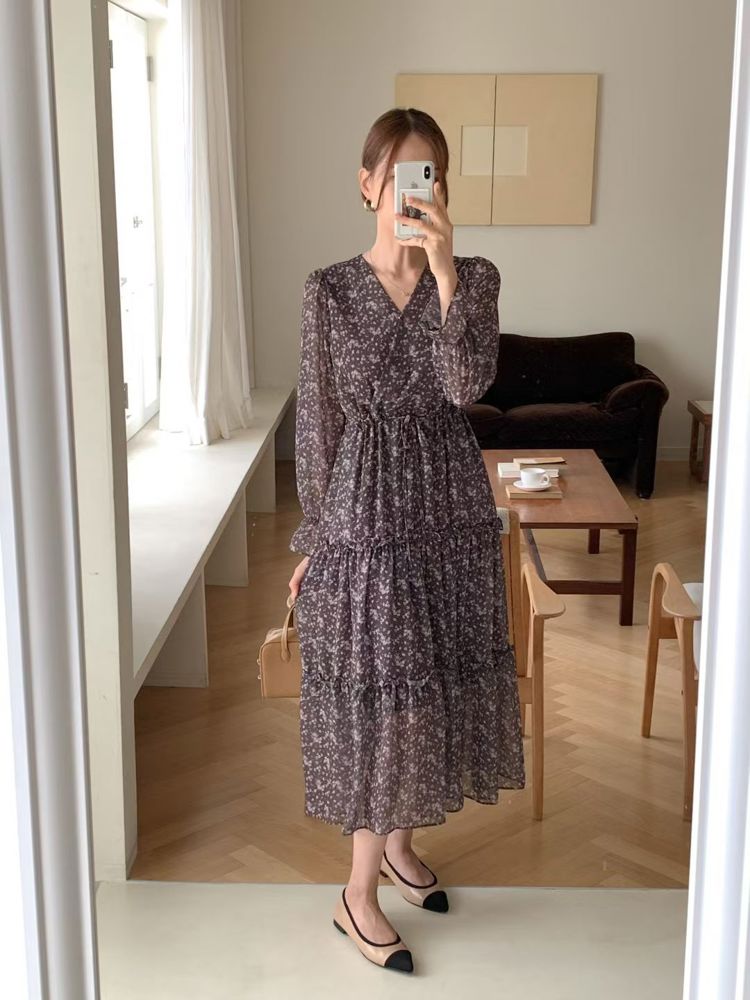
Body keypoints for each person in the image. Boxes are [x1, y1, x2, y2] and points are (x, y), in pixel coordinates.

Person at [287, 107, 526, 974]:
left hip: (448, 507)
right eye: (398, 176)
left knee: (434, 675)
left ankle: (398, 846)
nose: (413, 192)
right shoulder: (328, 290)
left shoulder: (475, 277)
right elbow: (318, 424)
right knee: (385, 688)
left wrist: (446, 267)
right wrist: (313, 539)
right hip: (366, 511)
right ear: (367, 185)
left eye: (430, 175)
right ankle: (357, 893)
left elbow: (466, 384)